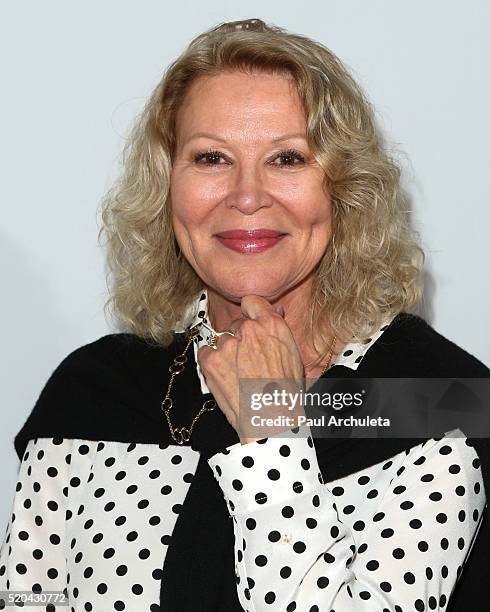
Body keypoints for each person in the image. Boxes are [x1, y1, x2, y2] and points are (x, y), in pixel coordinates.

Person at [1, 17, 489, 612]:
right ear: (167, 187)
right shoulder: (91, 392)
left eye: (287, 158)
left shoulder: (439, 398)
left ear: (344, 188)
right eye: (211, 158)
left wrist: (272, 431)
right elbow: (26, 600)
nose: (247, 195)